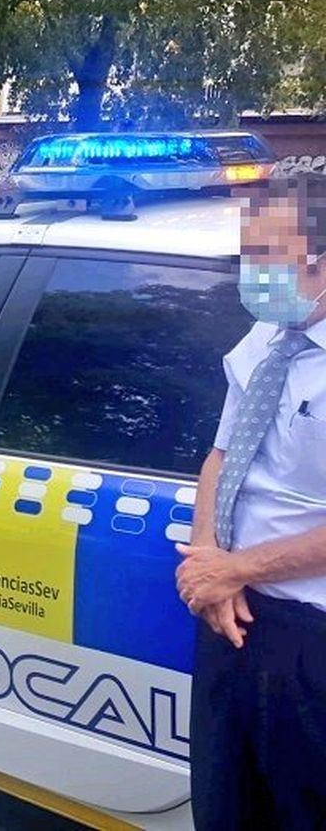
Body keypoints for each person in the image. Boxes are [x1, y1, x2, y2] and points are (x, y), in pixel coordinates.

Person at [177, 170, 326, 828]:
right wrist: (210, 559)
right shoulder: (266, 335)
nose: (251, 272)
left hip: (308, 640)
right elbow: (221, 453)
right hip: (230, 618)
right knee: (225, 806)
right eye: (248, 254)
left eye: (267, 256)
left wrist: (236, 570)